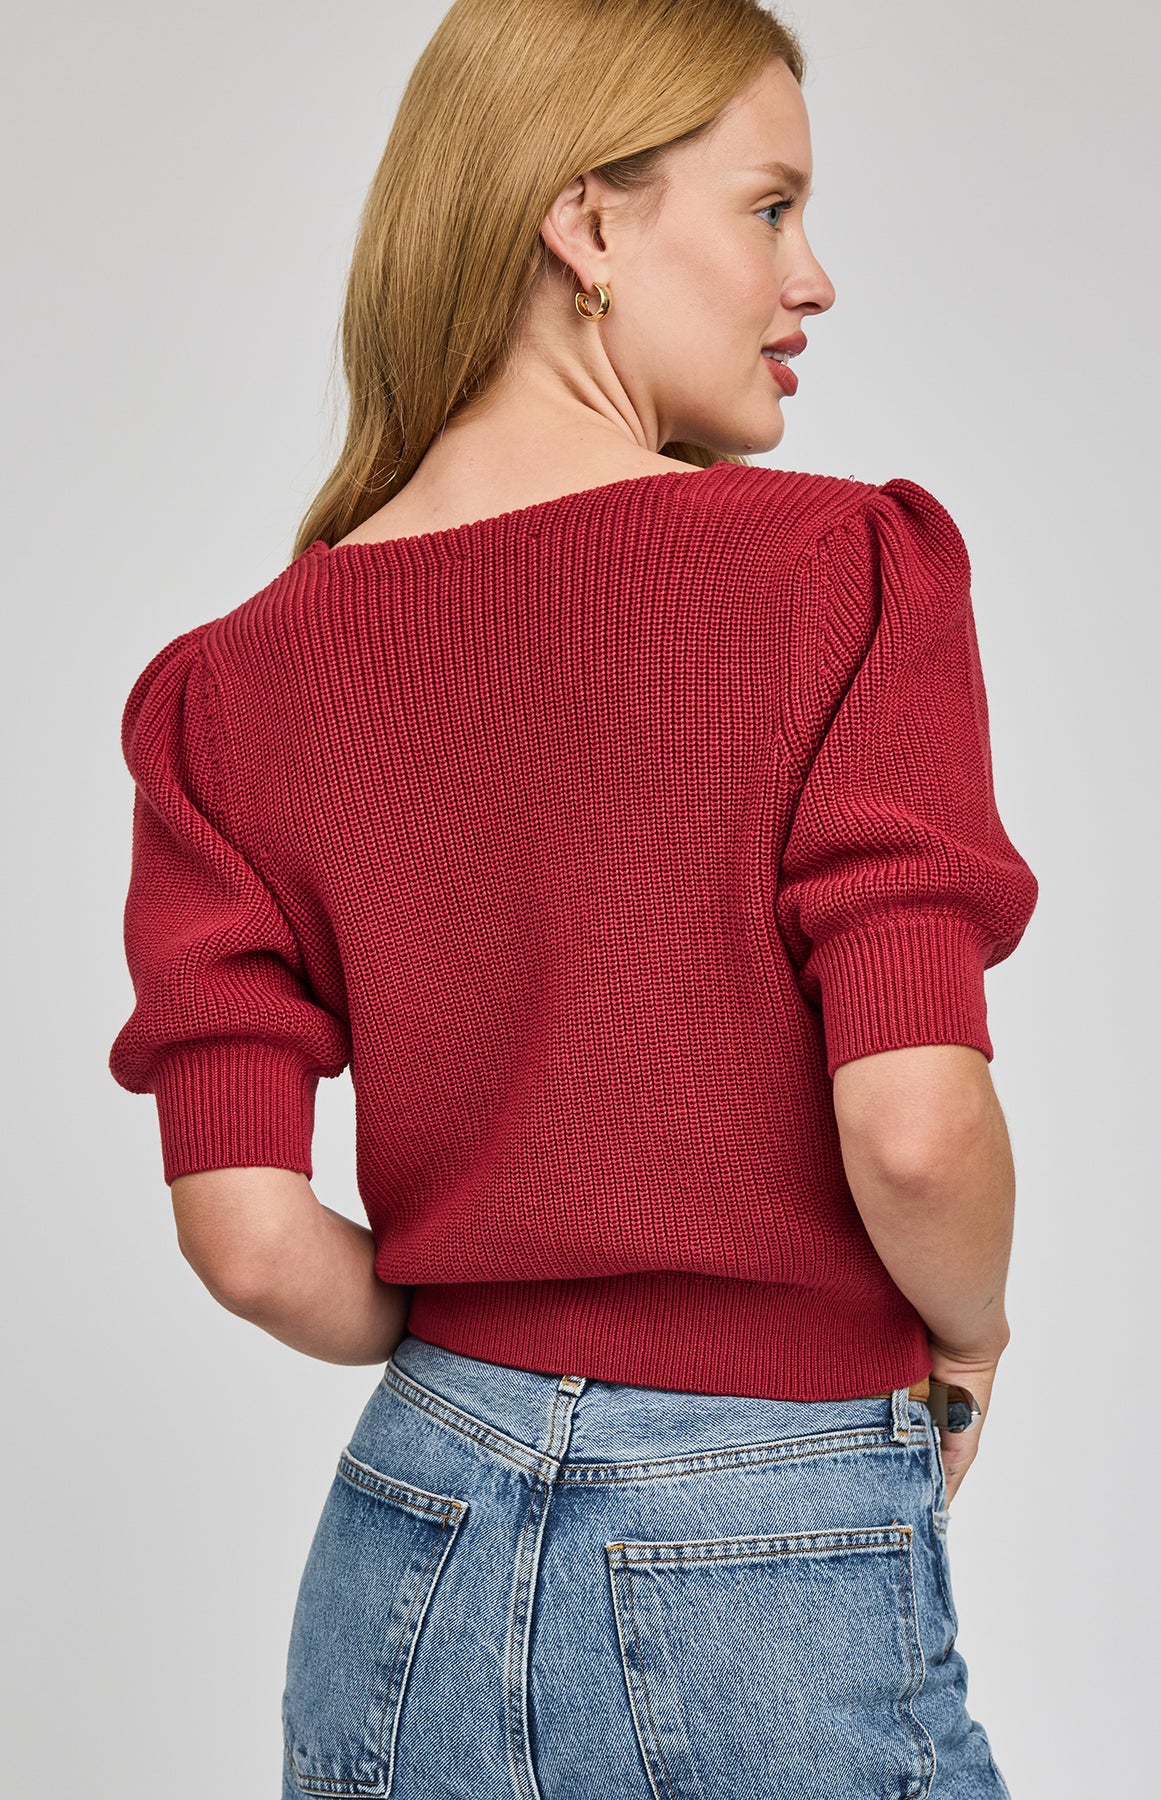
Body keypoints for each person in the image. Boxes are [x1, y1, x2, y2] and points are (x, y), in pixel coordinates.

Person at [107, 2, 1038, 1794]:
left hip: (405, 1532)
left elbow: (246, 1238)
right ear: (585, 223)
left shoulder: (226, 690)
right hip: (762, 1523)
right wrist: (971, 1337)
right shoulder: (837, 572)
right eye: (769, 206)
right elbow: (915, 1132)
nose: (813, 278)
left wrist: (488, 1337)